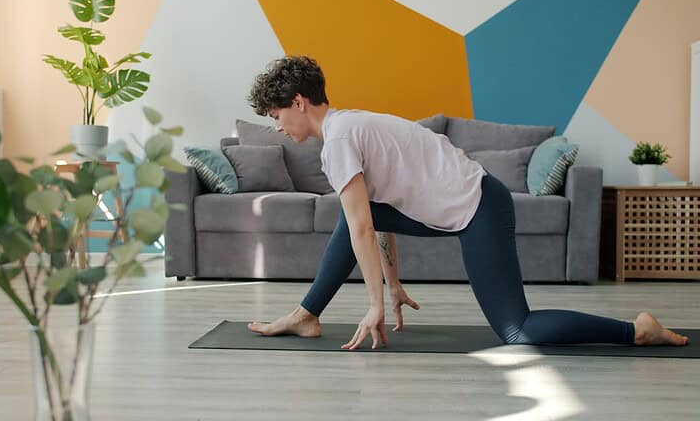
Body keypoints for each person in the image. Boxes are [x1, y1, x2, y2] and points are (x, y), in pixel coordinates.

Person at [246, 56, 689, 350]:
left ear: (299, 102)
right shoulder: (349, 125)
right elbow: (373, 215)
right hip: (473, 201)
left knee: (518, 329)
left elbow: (363, 226)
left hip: (480, 208)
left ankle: (636, 331)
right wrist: (392, 285)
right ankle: (307, 314)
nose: (278, 127)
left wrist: (375, 305)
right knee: (354, 214)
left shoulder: (339, 140)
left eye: (276, 115)